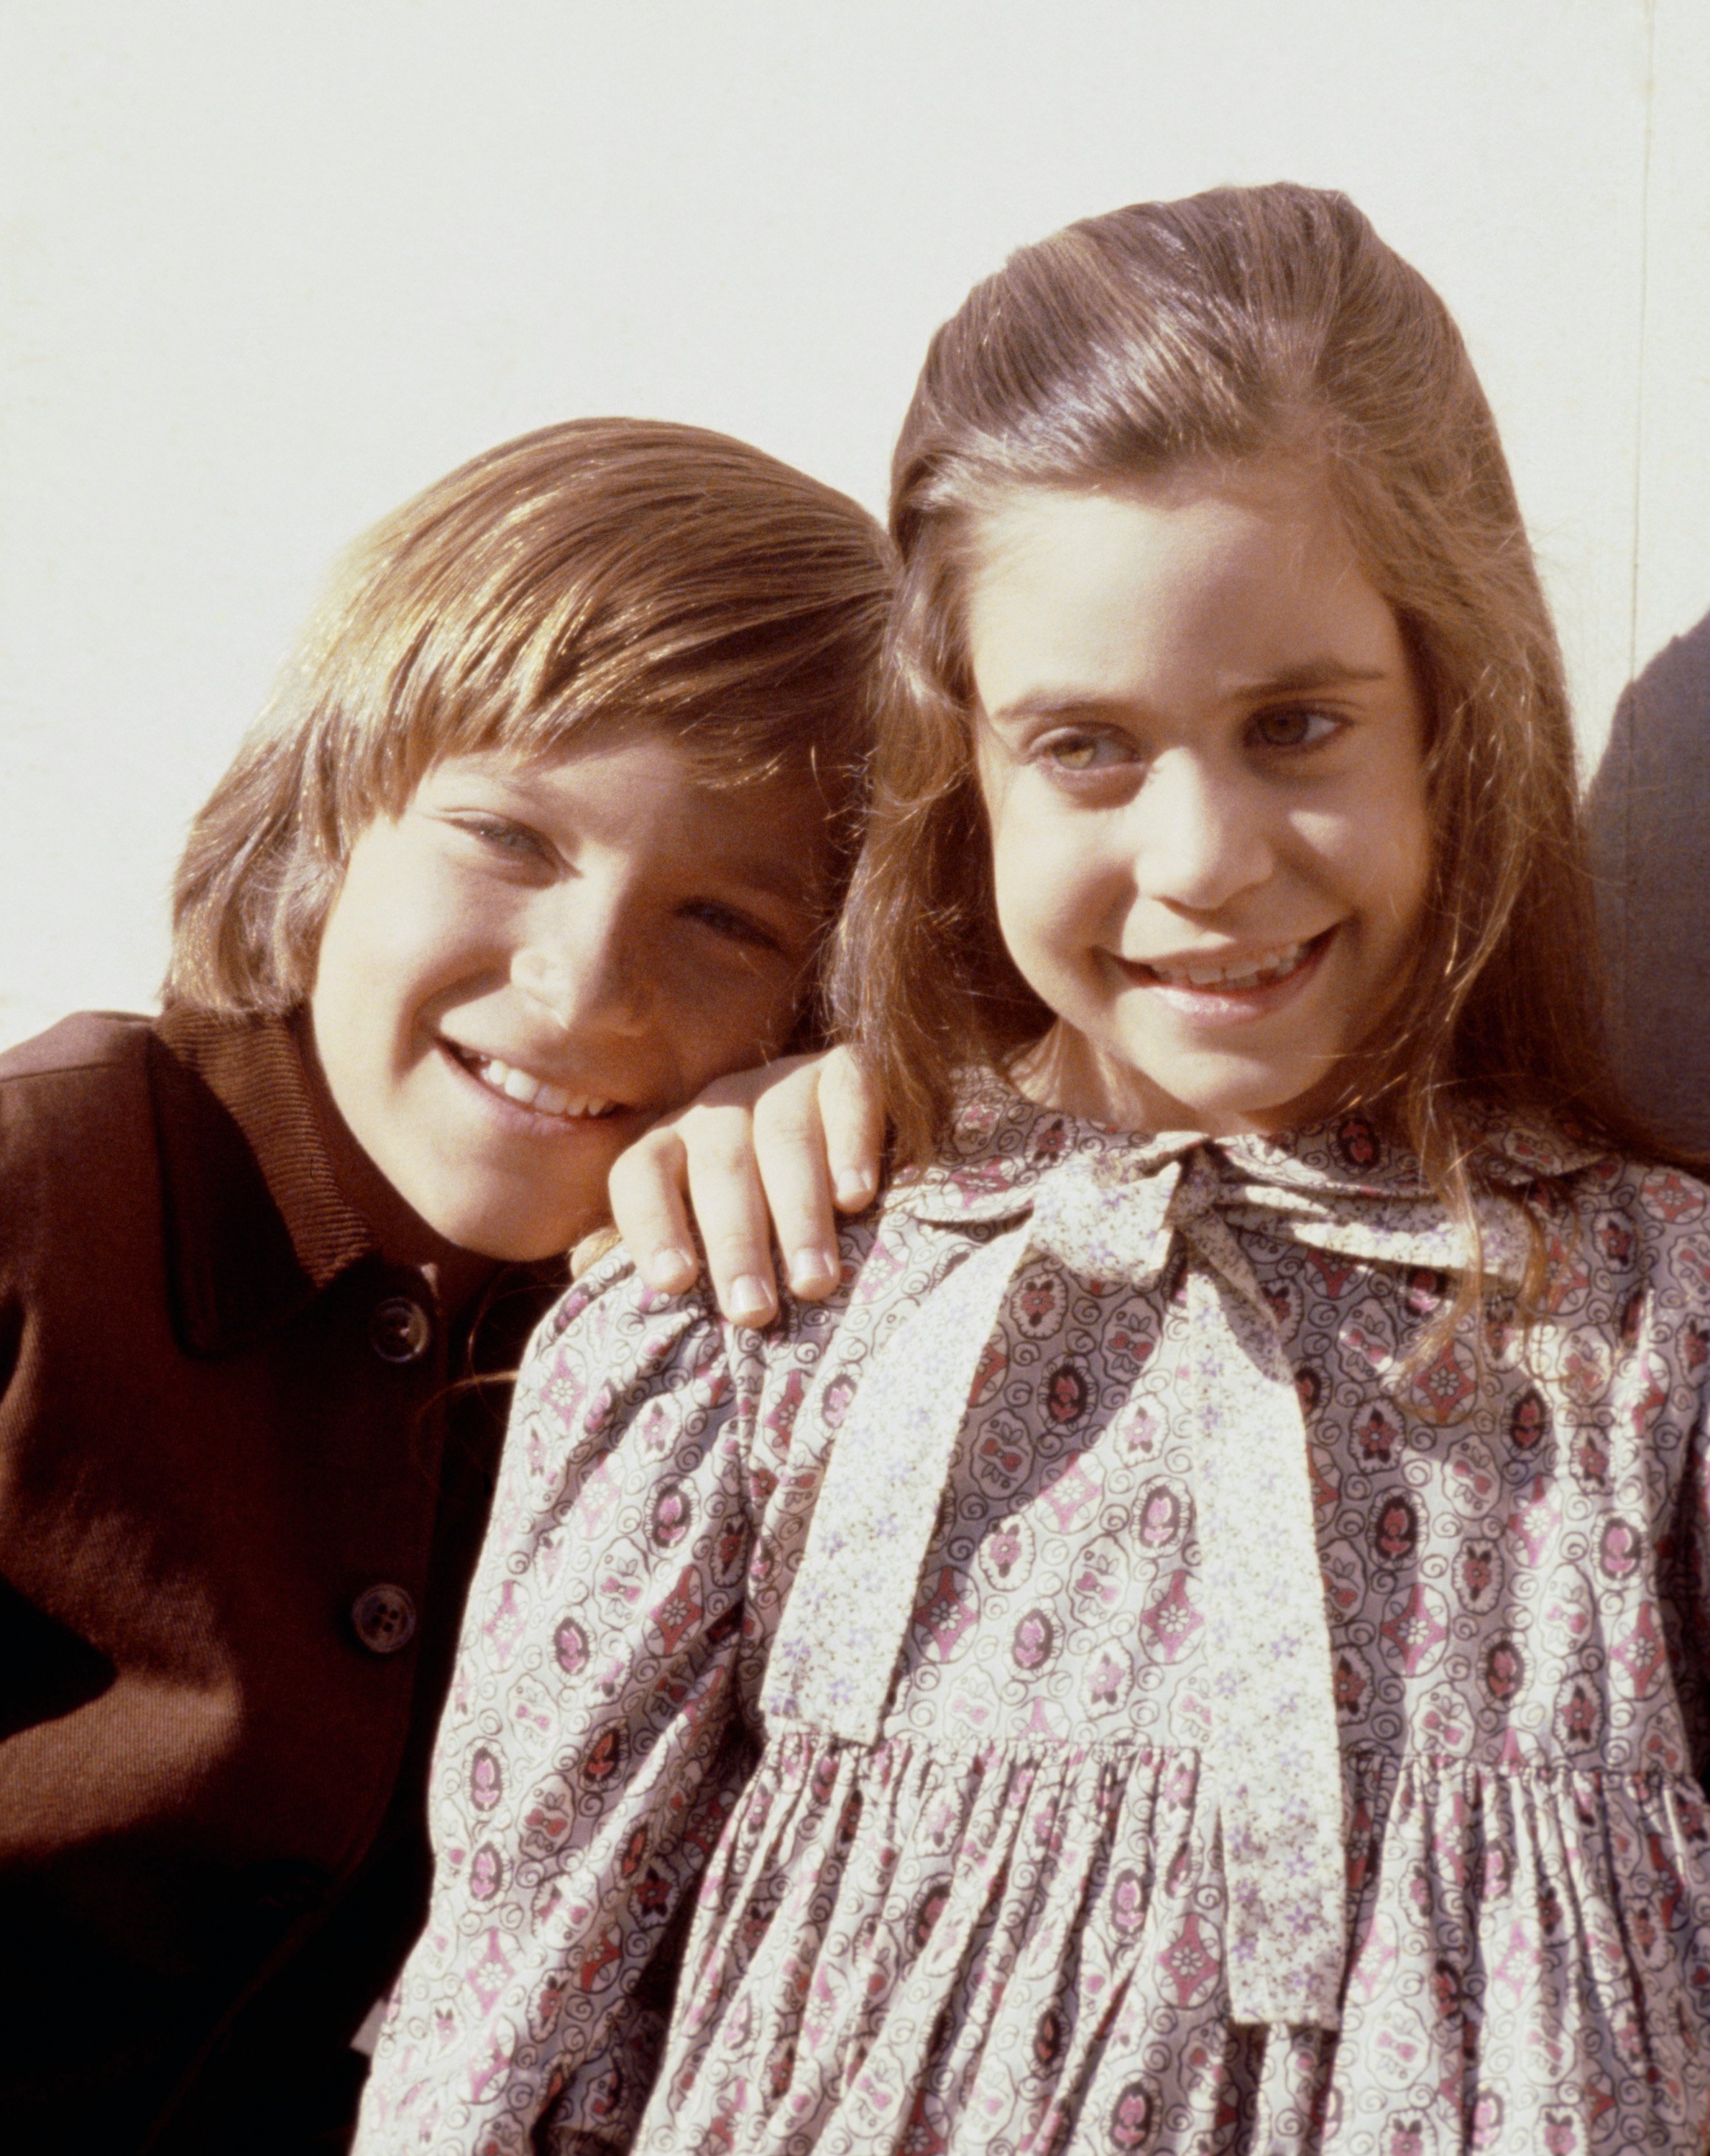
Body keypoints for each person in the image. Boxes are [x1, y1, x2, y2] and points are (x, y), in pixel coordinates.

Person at [361, 188, 1710, 2154]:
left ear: (1453, 717)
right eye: (1085, 746)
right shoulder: (745, 1310)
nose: (1200, 858)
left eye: (1296, 726)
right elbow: (506, 2048)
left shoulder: (1649, 1345)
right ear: (957, 765)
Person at [0, 418, 891, 2155]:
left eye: (727, 924)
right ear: (334, 814)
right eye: (508, 837)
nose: (578, 994)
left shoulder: (723, 1332)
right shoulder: (45, 1194)